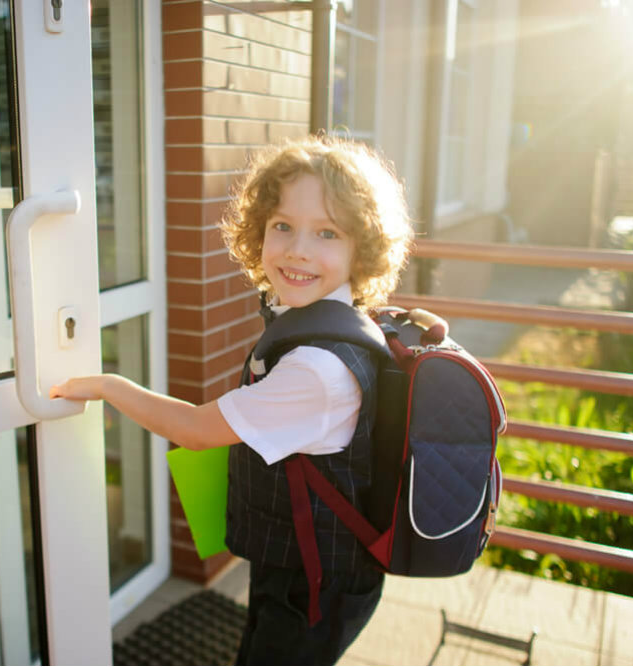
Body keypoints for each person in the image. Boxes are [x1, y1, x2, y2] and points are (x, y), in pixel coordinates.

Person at [51, 135, 413, 664]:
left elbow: (196, 430)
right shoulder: (325, 320)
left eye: (327, 233)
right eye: (282, 225)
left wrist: (110, 386)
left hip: (313, 584)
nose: (297, 249)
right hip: (308, 563)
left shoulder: (317, 369)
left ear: (363, 250)